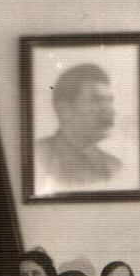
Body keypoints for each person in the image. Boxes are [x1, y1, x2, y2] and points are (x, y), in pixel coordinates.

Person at [34, 63, 123, 193]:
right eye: (96, 101)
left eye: (109, 101)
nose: (110, 110)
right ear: (65, 110)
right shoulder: (36, 158)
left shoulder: (114, 166)